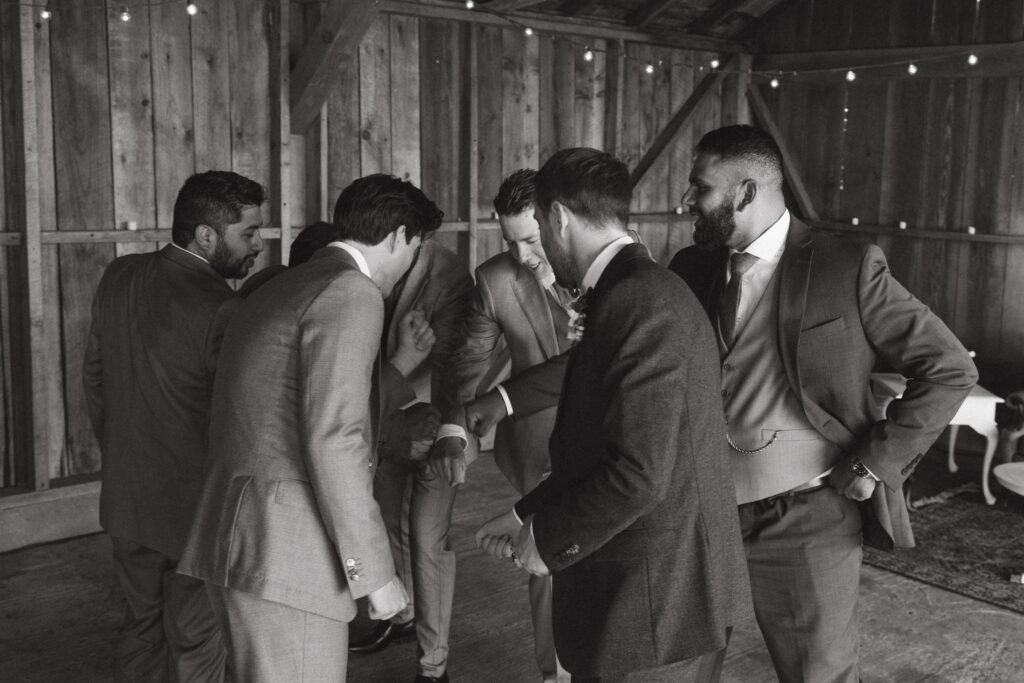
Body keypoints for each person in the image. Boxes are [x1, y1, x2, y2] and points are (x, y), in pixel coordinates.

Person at [668, 124, 979, 683]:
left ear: (744, 192)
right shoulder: (690, 269)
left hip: (806, 520)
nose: (685, 200)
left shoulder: (846, 266)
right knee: (675, 671)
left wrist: (874, 462)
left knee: (819, 676)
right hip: (699, 514)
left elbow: (950, 367)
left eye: (700, 187)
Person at [476, 148, 746, 682]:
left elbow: (639, 472)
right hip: (647, 602)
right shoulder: (629, 291)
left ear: (558, 217)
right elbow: (599, 442)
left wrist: (549, 540)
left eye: (540, 236)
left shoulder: (638, 300)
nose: (540, 255)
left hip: (659, 613)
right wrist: (524, 512)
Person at [178, 173, 443, 682]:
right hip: (286, 554)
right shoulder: (351, 293)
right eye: (417, 249)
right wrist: (376, 573)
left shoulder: (291, 282)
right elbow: (334, 437)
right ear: (398, 237)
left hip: (242, 538)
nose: (412, 265)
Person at [83, 170, 265, 682]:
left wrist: (121, 453)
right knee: (196, 643)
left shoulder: (119, 275)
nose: (258, 247)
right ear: (206, 236)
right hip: (194, 516)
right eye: (248, 234)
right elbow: (239, 425)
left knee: (141, 626)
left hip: (126, 497)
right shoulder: (225, 309)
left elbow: (94, 381)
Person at [430, 169, 573, 683]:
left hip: (615, 443)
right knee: (548, 565)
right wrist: (452, 427)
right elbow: (467, 363)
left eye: (531, 240)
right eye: (510, 241)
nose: (522, 256)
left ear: (561, 221)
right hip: (540, 448)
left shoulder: (621, 263)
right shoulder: (494, 280)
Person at [349, 207, 473, 683]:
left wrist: (443, 432)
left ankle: (432, 665)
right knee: (385, 528)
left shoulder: (450, 277)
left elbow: (459, 367)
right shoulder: (368, 266)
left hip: (433, 429)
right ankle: (400, 621)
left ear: (411, 239)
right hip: (382, 422)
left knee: (427, 543)